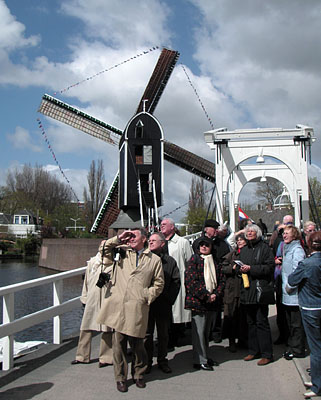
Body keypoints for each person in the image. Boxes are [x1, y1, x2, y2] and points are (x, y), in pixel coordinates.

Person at [96, 228, 164, 393]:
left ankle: (139, 374)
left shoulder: (154, 259)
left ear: (144, 239)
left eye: (135, 235)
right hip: (119, 306)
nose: (131, 238)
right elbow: (103, 249)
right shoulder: (121, 252)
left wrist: (147, 296)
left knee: (138, 344)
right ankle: (120, 378)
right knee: (118, 345)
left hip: (138, 306)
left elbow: (159, 282)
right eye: (130, 235)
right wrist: (118, 238)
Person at [287, 231, 321, 399]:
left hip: (311, 308)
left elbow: (292, 281)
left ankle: (317, 386)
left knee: (315, 348)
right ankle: (317, 378)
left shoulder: (307, 264)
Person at [185, 236, 225, 371]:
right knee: (199, 332)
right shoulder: (194, 260)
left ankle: (205, 356)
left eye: (206, 245)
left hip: (212, 301)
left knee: (206, 331)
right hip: (198, 301)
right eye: (201, 245)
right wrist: (206, 295)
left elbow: (221, 280)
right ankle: (199, 359)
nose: (204, 247)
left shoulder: (215, 261)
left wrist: (216, 294)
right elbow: (191, 281)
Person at [144, 232, 181, 374]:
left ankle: (162, 360)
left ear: (162, 243)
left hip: (163, 303)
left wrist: (169, 299)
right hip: (147, 302)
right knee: (146, 334)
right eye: (149, 240)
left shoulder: (170, 262)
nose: (150, 242)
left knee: (163, 334)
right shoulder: (144, 259)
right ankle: (146, 362)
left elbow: (176, 281)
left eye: (154, 240)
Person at [239, 224, 275, 366]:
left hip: (260, 291)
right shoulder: (244, 250)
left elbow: (269, 267)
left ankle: (267, 353)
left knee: (261, 322)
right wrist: (239, 269)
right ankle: (253, 350)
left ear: (258, 233)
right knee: (250, 322)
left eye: (252, 231)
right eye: (248, 232)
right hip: (247, 290)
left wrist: (252, 269)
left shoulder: (265, 248)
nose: (249, 233)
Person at [71, 252, 113, 367]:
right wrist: (84, 297)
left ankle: (106, 358)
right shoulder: (93, 262)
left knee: (107, 329)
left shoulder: (115, 263)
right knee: (85, 327)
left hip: (106, 298)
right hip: (92, 299)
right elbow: (87, 281)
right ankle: (82, 356)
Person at [160, 218, 192, 346]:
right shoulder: (160, 242)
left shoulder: (182, 242)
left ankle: (174, 337)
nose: (161, 226)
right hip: (162, 280)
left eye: (164, 224)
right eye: (161, 224)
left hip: (176, 280)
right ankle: (165, 337)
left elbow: (189, 261)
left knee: (176, 310)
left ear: (172, 227)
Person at [281, 225, 306, 360]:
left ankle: (297, 349)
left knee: (296, 324)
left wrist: (290, 286)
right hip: (288, 293)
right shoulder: (287, 249)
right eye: (284, 233)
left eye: (287, 233)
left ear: (294, 235)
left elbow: (298, 270)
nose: (284, 235)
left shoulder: (297, 250)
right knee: (290, 323)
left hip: (294, 293)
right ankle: (292, 346)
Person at [221, 233, 247, 352]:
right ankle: (231, 341)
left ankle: (243, 340)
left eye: (242, 240)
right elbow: (223, 267)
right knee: (230, 315)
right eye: (238, 240)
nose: (240, 242)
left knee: (243, 316)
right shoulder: (231, 255)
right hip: (231, 289)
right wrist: (232, 269)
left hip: (244, 288)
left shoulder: (248, 253)